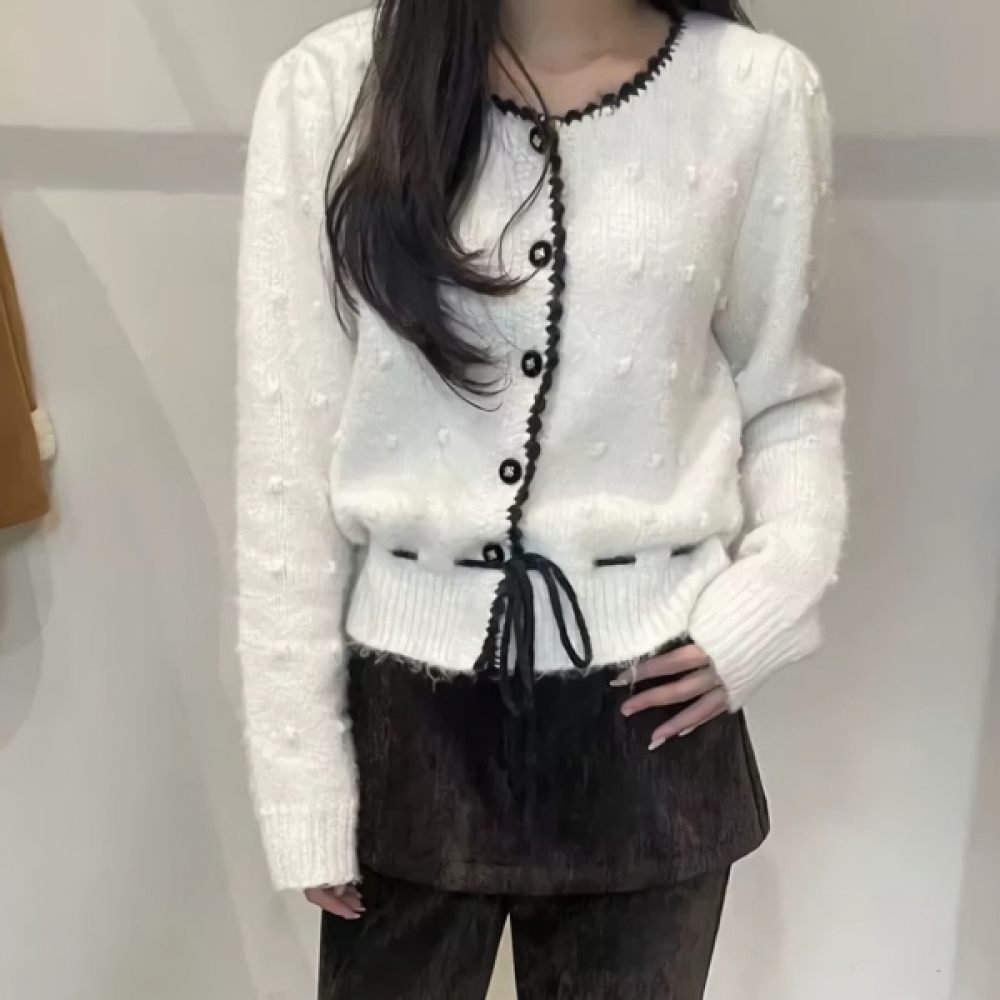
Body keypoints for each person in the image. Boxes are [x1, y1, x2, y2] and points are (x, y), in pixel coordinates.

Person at [236, 0, 846, 995]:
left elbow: (785, 399)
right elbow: (285, 475)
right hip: (408, 729)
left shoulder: (756, 91)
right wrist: (299, 774)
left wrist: (771, 599)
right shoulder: (327, 92)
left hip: (651, 719)